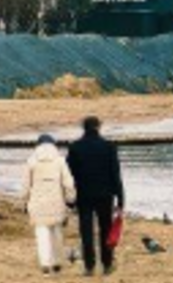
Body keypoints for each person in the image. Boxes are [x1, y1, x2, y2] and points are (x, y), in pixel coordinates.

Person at [66, 116, 124, 276]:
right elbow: (116, 175)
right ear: (99, 127)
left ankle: (89, 266)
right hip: (105, 195)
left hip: (83, 195)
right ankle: (106, 264)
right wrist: (121, 199)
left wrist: (69, 199)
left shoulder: (75, 147)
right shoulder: (109, 147)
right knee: (106, 229)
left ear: (83, 128)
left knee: (86, 231)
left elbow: (68, 175)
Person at [21, 134, 77, 275]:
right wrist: (71, 199)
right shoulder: (60, 161)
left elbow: (26, 186)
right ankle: (57, 262)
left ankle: (45, 263)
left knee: (42, 233)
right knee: (57, 233)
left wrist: (24, 201)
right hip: (56, 201)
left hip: (37, 203)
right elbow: (68, 183)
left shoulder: (31, 161)